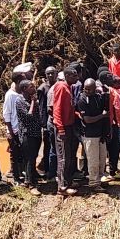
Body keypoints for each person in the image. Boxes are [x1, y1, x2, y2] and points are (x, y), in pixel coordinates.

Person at [74, 78, 109, 190]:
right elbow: (87, 119)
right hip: (89, 135)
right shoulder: (82, 100)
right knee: (93, 160)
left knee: (102, 158)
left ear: (95, 89)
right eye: (86, 89)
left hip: (100, 133)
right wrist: (103, 116)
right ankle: (94, 183)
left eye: (90, 89)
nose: (87, 91)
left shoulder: (98, 97)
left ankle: (100, 178)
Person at [51, 65, 79, 195]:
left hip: (70, 125)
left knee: (69, 156)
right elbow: (56, 109)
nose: (76, 77)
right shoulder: (61, 87)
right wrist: (60, 128)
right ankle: (61, 187)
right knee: (62, 157)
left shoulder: (69, 87)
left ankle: (67, 180)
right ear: (67, 76)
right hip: (62, 127)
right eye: (74, 75)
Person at [3, 62, 33, 184]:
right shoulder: (10, 95)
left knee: (23, 154)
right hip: (14, 130)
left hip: (23, 129)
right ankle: (16, 178)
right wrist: (10, 132)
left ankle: (24, 174)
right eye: (26, 76)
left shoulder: (23, 92)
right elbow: (6, 115)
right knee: (14, 155)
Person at [13, 79, 42, 193]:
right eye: (31, 87)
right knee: (29, 158)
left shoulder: (31, 98)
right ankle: (30, 184)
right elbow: (28, 116)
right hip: (27, 133)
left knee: (34, 157)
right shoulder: (19, 100)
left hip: (36, 132)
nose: (34, 88)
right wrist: (34, 102)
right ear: (24, 89)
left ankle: (31, 179)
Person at [35, 66, 57, 178]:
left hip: (56, 120)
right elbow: (42, 108)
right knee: (48, 146)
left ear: (56, 74)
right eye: (48, 74)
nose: (50, 75)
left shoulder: (58, 85)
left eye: (52, 73)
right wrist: (43, 124)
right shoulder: (42, 88)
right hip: (47, 121)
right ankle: (47, 169)